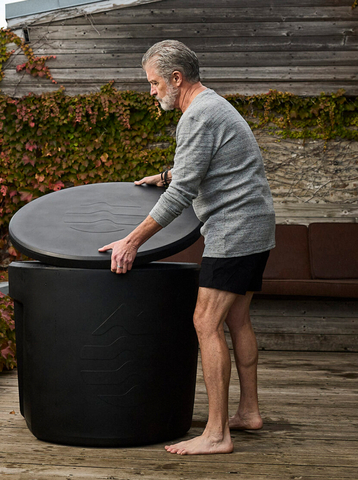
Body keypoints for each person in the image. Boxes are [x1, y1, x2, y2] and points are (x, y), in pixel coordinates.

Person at [98, 40, 276, 455]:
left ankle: (216, 435)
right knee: (236, 321)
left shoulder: (197, 115)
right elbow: (202, 165)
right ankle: (247, 412)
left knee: (205, 322)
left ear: (176, 79)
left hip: (234, 231)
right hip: (256, 226)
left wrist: (131, 240)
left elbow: (183, 194)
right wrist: (164, 175)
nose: (152, 90)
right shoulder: (213, 107)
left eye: (155, 82)